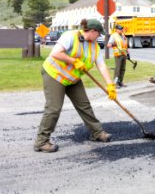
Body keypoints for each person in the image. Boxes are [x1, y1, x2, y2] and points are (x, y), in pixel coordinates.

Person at [34, 19, 117, 153]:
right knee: (54, 108)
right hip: (54, 75)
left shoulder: (94, 45)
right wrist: (73, 61)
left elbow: (101, 65)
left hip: (73, 79)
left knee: (84, 105)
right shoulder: (70, 36)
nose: (99, 36)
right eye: (98, 34)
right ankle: (41, 141)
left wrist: (110, 85)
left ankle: (97, 133)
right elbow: (55, 53)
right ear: (92, 31)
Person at [107, 24, 129, 88]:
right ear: (116, 29)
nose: (121, 30)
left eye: (122, 29)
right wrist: (114, 44)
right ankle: (115, 83)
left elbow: (125, 45)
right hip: (118, 55)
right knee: (117, 69)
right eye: (120, 29)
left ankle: (120, 82)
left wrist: (128, 53)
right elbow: (108, 45)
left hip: (124, 54)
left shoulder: (122, 35)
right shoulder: (113, 36)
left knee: (123, 69)